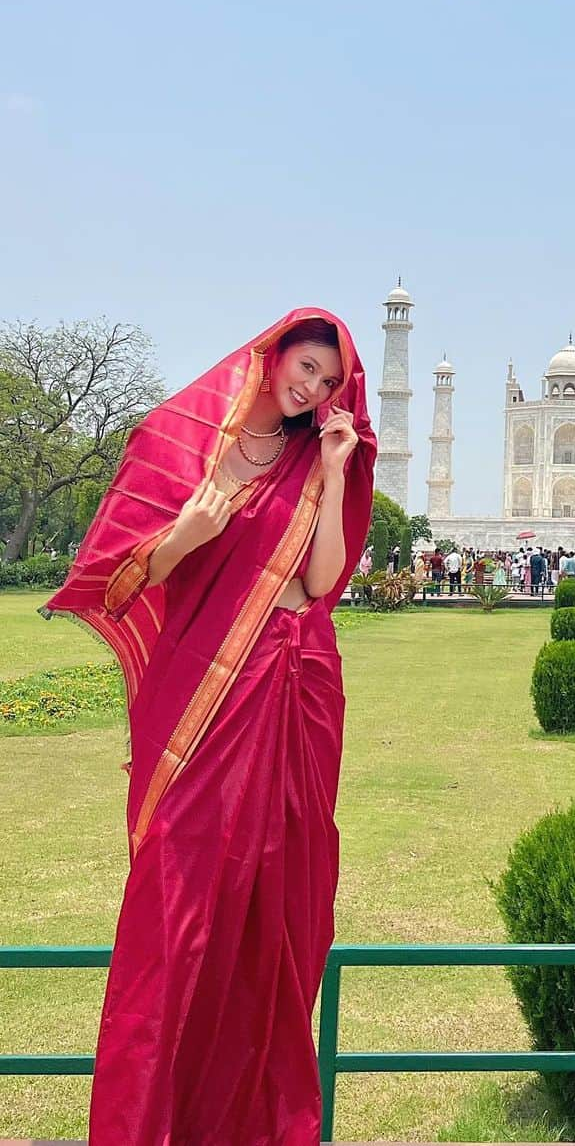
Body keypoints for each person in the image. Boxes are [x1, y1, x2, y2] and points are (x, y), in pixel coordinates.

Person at [42, 310, 376, 1143]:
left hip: (296, 683)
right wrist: (191, 530)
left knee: (275, 909)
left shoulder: (313, 456)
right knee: (178, 905)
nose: (313, 389)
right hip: (206, 697)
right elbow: (121, 580)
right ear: (271, 356)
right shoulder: (179, 441)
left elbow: (324, 577)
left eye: (329, 382)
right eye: (306, 367)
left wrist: (335, 469)